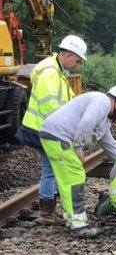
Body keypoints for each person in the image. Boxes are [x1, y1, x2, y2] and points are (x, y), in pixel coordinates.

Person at [38, 86, 116, 238]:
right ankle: (79, 225)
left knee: (66, 180)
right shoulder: (103, 101)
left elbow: (110, 145)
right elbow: (87, 121)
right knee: (76, 177)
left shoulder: (102, 118)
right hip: (59, 136)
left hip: (51, 133)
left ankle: (71, 218)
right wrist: (78, 147)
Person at [15, 35, 87, 224]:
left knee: (53, 166)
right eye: (77, 60)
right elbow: (50, 107)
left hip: (47, 127)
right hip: (42, 128)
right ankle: (46, 213)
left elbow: (69, 99)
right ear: (69, 55)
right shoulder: (49, 73)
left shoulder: (57, 70)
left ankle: (49, 210)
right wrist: (66, 130)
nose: (77, 64)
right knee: (51, 168)